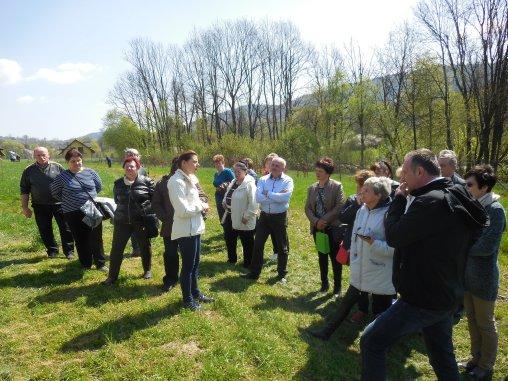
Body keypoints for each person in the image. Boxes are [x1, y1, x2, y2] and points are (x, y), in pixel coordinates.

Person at [360, 149, 487, 381]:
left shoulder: (430, 201)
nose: (402, 178)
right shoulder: (456, 192)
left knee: (372, 341)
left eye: (406, 172)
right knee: (441, 355)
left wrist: (398, 199)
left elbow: (395, 236)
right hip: (447, 291)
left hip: (422, 297)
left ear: (420, 171)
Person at [311, 177, 395, 341]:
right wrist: (354, 255)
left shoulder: (390, 214)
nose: (360, 192)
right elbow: (355, 236)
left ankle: (380, 345)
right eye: (362, 189)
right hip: (361, 268)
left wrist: (373, 243)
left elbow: (395, 248)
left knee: (381, 311)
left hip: (380, 271)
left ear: (378, 195)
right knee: (346, 303)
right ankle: (327, 332)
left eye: (366, 190)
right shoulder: (362, 209)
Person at [460, 165, 506, 380]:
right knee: (471, 318)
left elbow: (486, 246)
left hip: (484, 277)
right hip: (467, 275)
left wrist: (461, 247)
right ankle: (475, 358)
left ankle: (486, 365)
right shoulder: (471, 205)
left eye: (469, 185)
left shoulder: (495, 211)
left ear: (484, 187)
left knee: (485, 323)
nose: (465, 188)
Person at [152, 157, 209, 292]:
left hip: (189, 223)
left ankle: (191, 286)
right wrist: (165, 218)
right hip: (169, 225)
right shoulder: (164, 182)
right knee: (171, 254)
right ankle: (171, 279)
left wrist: (200, 205)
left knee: (191, 259)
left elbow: (203, 196)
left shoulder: (191, 180)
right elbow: (156, 203)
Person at [168, 150, 213, 311]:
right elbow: (182, 210)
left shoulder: (191, 178)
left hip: (195, 227)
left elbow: (197, 197)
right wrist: (202, 206)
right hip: (185, 230)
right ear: (184, 163)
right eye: (194, 161)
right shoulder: (176, 182)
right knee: (188, 266)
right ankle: (187, 300)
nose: (197, 164)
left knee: (195, 264)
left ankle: (195, 292)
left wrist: (202, 202)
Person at [50, 149, 108, 271]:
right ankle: (86, 264)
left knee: (95, 237)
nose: (77, 163)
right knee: (80, 238)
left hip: (91, 209)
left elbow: (98, 186)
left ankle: (101, 263)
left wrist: (87, 198)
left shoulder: (91, 172)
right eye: (73, 161)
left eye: (79, 160)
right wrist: (71, 200)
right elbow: (55, 192)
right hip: (72, 212)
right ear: (68, 162)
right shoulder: (62, 177)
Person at [102, 157, 155, 285]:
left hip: (141, 221)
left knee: (144, 246)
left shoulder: (147, 182)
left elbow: (154, 200)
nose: (129, 168)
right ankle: (112, 277)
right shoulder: (118, 183)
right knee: (116, 249)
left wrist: (147, 212)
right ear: (124, 168)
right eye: (127, 166)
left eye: (132, 166)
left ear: (138, 167)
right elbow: (116, 200)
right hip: (122, 221)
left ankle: (147, 270)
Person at [243, 156, 294, 282]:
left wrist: (268, 193)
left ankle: (281, 274)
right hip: (264, 217)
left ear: (283, 168)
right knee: (258, 244)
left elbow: (285, 198)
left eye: (278, 165)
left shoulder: (288, 181)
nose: (274, 167)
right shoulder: (263, 179)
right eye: (273, 165)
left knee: (282, 246)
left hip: (279, 217)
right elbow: (258, 198)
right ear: (270, 166)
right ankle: (254, 272)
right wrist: (276, 196)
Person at [20, 147, 74, 259]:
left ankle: (69, 251)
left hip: (60, 204)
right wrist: (25, 207)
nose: (41, 157)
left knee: (66, 228)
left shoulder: (58, 167)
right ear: (34, 156)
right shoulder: (28, 170)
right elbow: (24, 190)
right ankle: (52, 250)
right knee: (44, 229)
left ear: (49, 155)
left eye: (44, 154)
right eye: (38, 155)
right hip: (39, 205)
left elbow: (68, 184)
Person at [304, 158, 345, 295]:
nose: (317, 173)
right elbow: (307, 208)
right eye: (316, 171)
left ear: (328, 173)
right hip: (318, 229)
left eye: (320, 171)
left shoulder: (336, 186)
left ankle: (337, 287)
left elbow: (339, 206)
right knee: (322, 256)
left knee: (335, 258)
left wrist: (324, 220)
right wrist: (316, 222)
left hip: (332, 228)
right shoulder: (312, 188)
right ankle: (324, 284)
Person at [339, 169, 375, 322]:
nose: (359, 190)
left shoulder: (376, 203)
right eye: (359, 186)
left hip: (369, 245)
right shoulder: (353, 199)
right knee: (356, 274)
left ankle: (366, 308)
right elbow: (343, 217)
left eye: (362, 187)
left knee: (368, 276)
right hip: (353, 244)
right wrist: (356, 204)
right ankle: (360, 306)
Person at [221, 162, 258, 267]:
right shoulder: (233, 181)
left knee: (247, 241)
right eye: (235, 171)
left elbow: (254, 203)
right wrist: (224, 201)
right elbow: (228, 194)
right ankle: (232, 259)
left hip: (243, 217)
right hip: (229, 215)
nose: (236, 174)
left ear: (245, 172)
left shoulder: (249, 184)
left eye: (239, 172)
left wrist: (247, 216)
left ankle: (248, 263)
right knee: (229, 238)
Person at [124, 148, 147, 257]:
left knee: (143, 225)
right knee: (132, 226)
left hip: (141, 203)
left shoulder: (143, 170)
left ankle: (144, 247)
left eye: (135, 155)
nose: (132, 156)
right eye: (129, 155)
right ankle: (136, 248)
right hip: (129, 203)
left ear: (139, 157)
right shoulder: (127, 168)